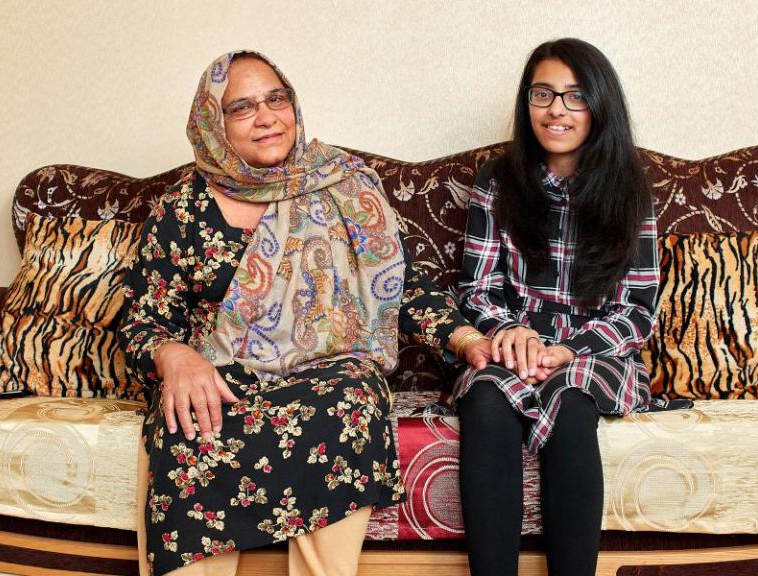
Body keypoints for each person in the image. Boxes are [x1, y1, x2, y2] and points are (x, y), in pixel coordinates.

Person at [119, 50, 491, 576]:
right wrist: (174, 355)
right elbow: (145, 319)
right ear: (212, 123)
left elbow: (398, 283)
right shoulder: (182, 208)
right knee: (188, 417)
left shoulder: (344, 185)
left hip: (329, 371)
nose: (267, 116)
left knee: (350, 399)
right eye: (242, 107)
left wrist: (463, 339)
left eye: (277, 98)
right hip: (222, 373)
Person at [455, 38, 692, 576]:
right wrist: (514, 333)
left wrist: (567, 351)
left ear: (599, 104)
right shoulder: (496, 181)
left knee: (569, 405)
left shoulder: (631, 185)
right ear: (527, 101)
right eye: (544, 94)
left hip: (593, 354)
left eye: (575, 95)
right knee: (487, 403)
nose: (556, 109)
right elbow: (476, 288)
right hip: (510, 347)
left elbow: (636, 311)